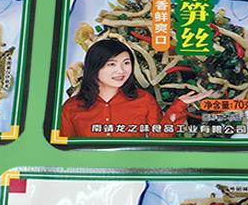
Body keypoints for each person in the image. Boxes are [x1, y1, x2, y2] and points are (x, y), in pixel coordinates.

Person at [60, 38, 213, 138]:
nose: (121, 71)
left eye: (126, 63)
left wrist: (179, 106)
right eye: (111, 64)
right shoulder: (72, 107)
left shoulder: (143, 99)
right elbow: (63, 148)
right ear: (94, 67)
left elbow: (158, 136)